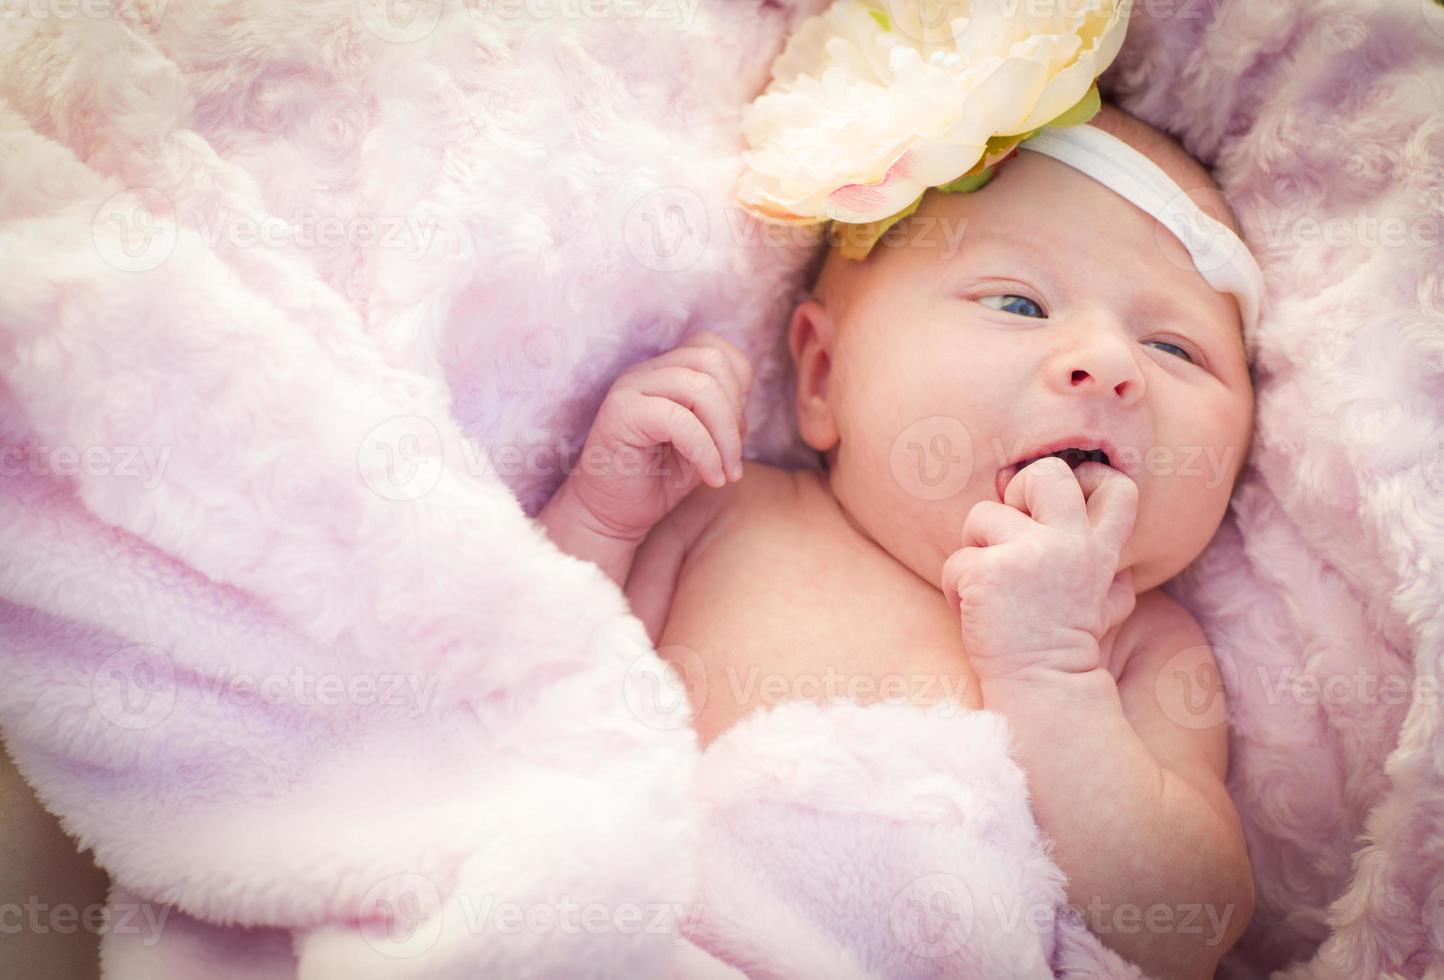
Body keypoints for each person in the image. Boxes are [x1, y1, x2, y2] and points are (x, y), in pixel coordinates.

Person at [538, 102, 1256, 979]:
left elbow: (1186, 931)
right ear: (822, 375)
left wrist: (1053, 673)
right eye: (1019, 302)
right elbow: (519, 696)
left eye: (1176, 349)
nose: (1110, 364)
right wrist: (601, 516)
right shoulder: (723, 518)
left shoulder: (1135, 644)